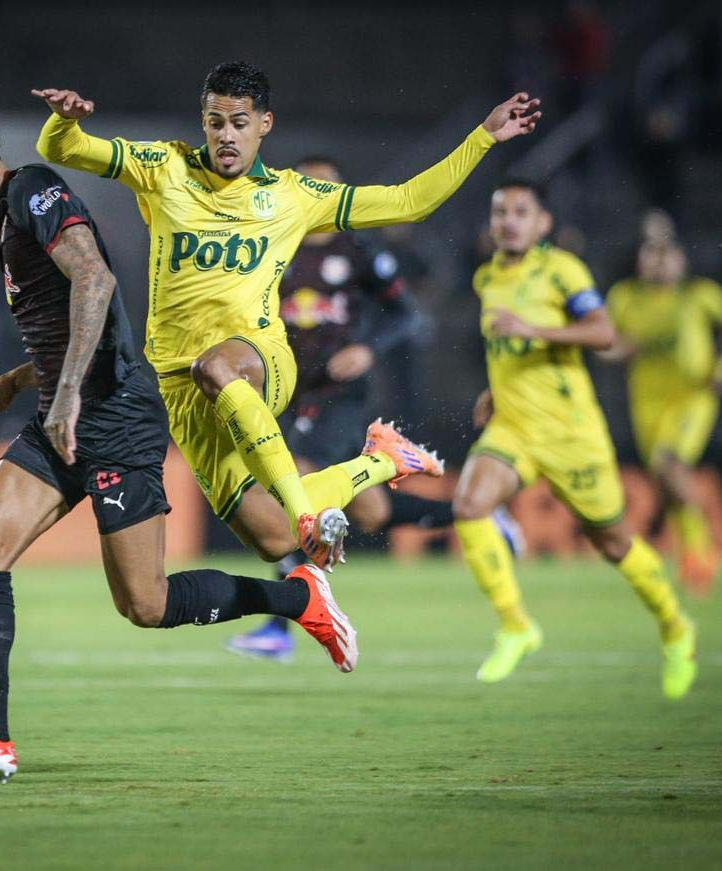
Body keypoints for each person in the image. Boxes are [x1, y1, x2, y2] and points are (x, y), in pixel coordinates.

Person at [0, 109, 359, 785]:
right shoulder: (5, 221)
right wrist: (19, 380)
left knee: (147, 604)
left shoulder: (32, 191)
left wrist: (65, 396)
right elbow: (71, 325)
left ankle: (299, 600)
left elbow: (95, 280)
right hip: (65, 414)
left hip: (114, 415)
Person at [32, 62, 541, 574]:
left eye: (239, 123)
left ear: (264, 124)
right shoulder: (164, 166)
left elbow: (409, 202)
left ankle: (307, 519)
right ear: (203, 121)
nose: (226, 135)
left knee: (218, 370)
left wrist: (482, 137)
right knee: (272, 538)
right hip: (179, 384)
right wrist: (64, 120)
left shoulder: (293, 195)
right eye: (215, 122)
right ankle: (383, 461)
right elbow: (60, 149)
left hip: (259, 359)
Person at [224, 156, 525, 662]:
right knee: (371, 512)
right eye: (312, 185)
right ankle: (475, 513)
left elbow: (405, 313)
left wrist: (367, 349)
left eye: (330, 187)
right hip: (291, 391)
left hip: (341, 394)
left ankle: (280, 626)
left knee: (294, 481)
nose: (321, 195)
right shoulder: (272, 245)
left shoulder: (358, 250)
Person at [452, 179, 697, 699]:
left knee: (614, 543)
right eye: (500, 212)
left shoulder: (563, 270)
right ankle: (516, 625)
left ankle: (676, 628)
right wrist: (495, 388)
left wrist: (535, 331)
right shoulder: (486, 277)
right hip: (514, 426)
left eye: (521, 211)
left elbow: (603, 333)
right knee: (469, 505)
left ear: (543, 223)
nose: (509, 221)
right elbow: (507, 345)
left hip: (570, 434)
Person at [603, 238, 722, 594]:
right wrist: (622, 350)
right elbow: (603, 344)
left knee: (670, 463)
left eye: (666, 255)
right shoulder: (625, 298)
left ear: (681, 260)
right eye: (651, 255)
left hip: (691, 398)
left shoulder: (700, 295)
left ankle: (703, 549)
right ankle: (690, 552)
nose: (659, 263)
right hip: (647, 403)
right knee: (663, 481)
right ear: (640, 261)